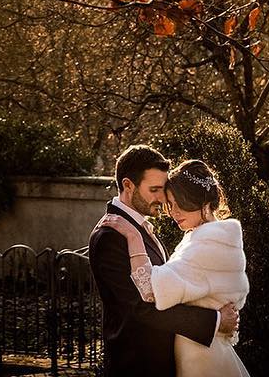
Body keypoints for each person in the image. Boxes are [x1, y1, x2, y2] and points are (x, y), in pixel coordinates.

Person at [88, 146, 240, 377]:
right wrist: (214, 321)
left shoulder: (139, 228)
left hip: (166, 361)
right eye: (155, 189)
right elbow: (140, 308)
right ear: (128, 185)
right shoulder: (110, 236)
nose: (163, 198)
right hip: (138, 366)